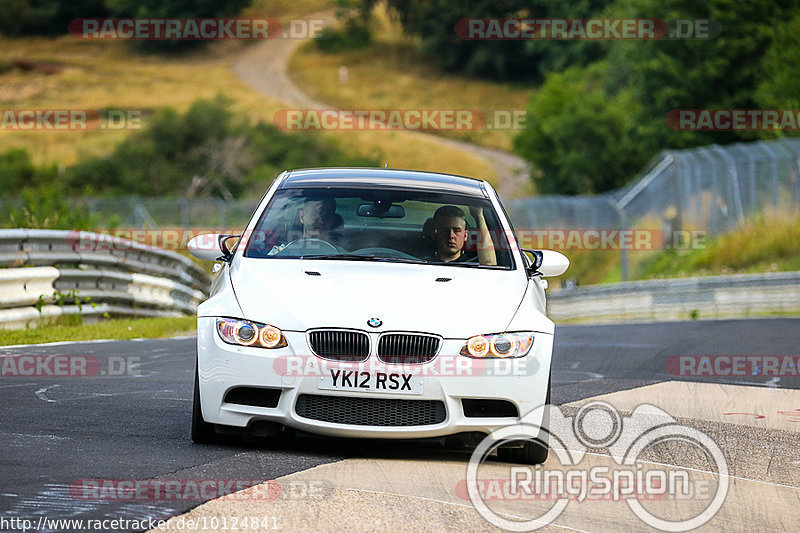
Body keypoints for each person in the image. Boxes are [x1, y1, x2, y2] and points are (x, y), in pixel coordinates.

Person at [427, 205, 496, 265]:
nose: (451, 235)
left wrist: (479, 216)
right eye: (445, 230)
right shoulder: (421, 263)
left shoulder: (473, 265)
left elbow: (489, 265)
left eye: (457, 231)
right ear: (434, 234)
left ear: (465, 236)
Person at [268, 197, 338, 255]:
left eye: (327, 216)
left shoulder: (342, 254)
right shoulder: (281, 252)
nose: (321, 221)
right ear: (302, 217)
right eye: (315, 215)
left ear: (333, 220)